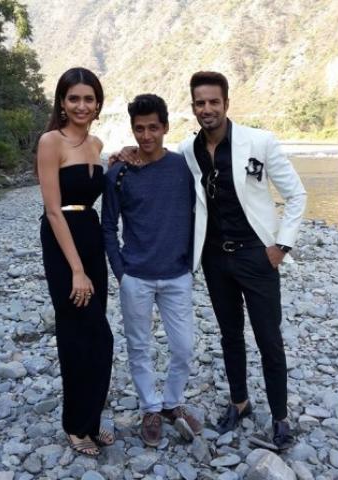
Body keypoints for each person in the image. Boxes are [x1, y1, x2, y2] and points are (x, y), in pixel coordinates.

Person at [112, 72, 307, 450]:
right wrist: (124, 153)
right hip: (215, 257)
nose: (207, 109)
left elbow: (296, 195)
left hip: (257, 255)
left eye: (214, 102)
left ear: (226, 103)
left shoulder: (260, 142)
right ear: (193, 107)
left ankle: (280, 417)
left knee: (268, 338)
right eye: (200, 103)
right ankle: (240, 403)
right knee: (229, 335)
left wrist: (281, 246)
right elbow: (153, 152)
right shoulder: (188, 150)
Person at [101, 94, 202, 447]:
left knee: (184, 347)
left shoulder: (183, 168)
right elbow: (108, 225)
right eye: (139, 129)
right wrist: (120, 272)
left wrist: (191, 263)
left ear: (166, 127)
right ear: (132, 129)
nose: (146, 136)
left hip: (177, 275)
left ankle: (172, 403)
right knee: (139, 347)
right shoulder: (119, 172)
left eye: (153, 128)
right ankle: (150, 408)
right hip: (136, 277)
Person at [36, 67, 114, 457]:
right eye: (74, 98)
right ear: (62, 103)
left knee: (95, 334)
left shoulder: (97, 143)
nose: (82, 105)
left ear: (98, 104)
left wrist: (122, 158)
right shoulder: (51, 141)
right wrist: (77, 270)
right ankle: (74, 425)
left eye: (89, 99)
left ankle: (92, 423)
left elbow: (96, 184)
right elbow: (53, 210)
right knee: (81, 334)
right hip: (62, 241)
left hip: (91, 236)